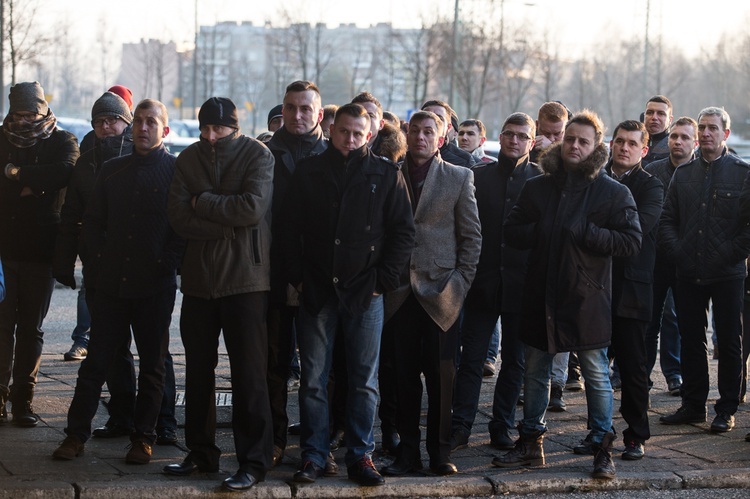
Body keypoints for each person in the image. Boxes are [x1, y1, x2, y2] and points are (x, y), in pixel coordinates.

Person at [493, 110, 642, 480]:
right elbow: (511, 230)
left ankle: (601, 447)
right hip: (540, 293)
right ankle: (530, 442)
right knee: (535, 370)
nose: (574, 145)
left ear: (596, 147)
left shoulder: (613, 191)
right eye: (570, 139)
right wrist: (540, 229)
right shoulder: (538, 185)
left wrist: (588, 233)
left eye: (583, 141)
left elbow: (631, 242)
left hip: (587, 298)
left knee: (595, 373)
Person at [283, 103, 415, 486]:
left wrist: (381, 282)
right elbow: (288, 229)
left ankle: (361, 455)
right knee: (313, 379)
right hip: (317, 288)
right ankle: (313, 455)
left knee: (363, 380)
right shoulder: (309, 172)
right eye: (344, 131)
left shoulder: (387, 174)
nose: (351, 139)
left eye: (359, 133)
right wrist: (299, 277)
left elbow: (403, 234)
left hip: (366, 292)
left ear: (369, 135)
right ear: (331, 128)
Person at [52, 99, 182, 465]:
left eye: (151, 122)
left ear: (164, 131)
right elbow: (92, 223)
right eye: (138, 121)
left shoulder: (175, 172)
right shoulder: (111, 170)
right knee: (96, 363)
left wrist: (166, 265)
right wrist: (95, 264)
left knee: (153, 365)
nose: (143, 127)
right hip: (110, 284)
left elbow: (181, 230)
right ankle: (75, 435)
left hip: (154, 287)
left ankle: (144, 437)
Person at [164, 97, 275, 492]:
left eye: (219, 129)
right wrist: (222, 226)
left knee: (249, 375)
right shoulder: (187, 158)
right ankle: (201, 452)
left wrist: (204, 203)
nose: (211, 136)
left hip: (246, 281)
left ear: (234, 126)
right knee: (197, 372)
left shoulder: (257, 155)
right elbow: (178, 216)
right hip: (197, 282)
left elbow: (251, 209)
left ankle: (254, 461)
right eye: (205, 128)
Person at [381, 110, 481, 477]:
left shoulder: (458, 177)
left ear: (441, 139)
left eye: (429, 132)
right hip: (399, 293)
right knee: (403, 378)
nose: (420, 137)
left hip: (442, 294)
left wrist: (460, 284)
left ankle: (440, 453)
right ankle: (407, 453)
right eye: (415, 131)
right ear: (406, 135)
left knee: (442, 379)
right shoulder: (388, 174)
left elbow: (471, 238)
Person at [451, 113, 541, 451]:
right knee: (472, 358)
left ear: (531, 142)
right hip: (482, 282)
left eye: (522, 136)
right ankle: (461, 423)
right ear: (500, 138)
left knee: (515, 363)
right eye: (509, 135)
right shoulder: (477, 176)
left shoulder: (540, 181)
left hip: (523, 286)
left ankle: (501, 425)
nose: (514, 141)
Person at [659, 107, 750, 433]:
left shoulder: (742, 172)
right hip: (688, 271)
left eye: (713, 128)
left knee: (728, 342)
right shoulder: (684, 174)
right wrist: (678, 250)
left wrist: (728, 253)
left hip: (727, 273)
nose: (707, 133)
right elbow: (667, 220)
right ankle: (693, 405)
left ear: (725, 134)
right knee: (690, 340)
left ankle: (726, 408)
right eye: (703, 128)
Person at [0, 81, 79, 426]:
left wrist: (15, 174)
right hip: (3, 251)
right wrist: (32, 187)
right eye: (20, 113)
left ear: (43, 109)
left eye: (32, 112)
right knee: (1, 328)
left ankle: (23, 401)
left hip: (42, 251)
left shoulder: (62, 140)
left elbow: (65, 171)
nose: (27, 119)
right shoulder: (1, 138)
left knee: (31, 329)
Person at [265, 80, 327, 468]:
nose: (298, 115)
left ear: (319, 114)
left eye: (306, 109)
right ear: (282, 111)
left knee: (319, 369)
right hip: (270, 273)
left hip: (319, 276)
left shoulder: (335, 153)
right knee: (272, 363)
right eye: (291, 108)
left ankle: (316, 444)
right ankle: (271, 439)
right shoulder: (264, 154)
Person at [594, 120, 662, 460]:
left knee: (634, 368)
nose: (624, 148)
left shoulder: (651, 186)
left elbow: (639, 228)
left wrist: (600, 229)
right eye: (619, 141)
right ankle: (598, 432)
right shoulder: (594, 178)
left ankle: (636, 435)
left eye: (632, 144)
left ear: (643, 150)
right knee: (594, 367)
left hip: (633, 289)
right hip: (594, 285)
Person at [54, 91, 133, 364]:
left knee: (145, 346)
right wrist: (65, 260)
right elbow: (72, 213)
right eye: (99, 121)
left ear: (126, 121)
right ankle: (85, 343)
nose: (105, 126)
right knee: (103, 342)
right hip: (97, 256)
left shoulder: (142, 153)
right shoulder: (86, 162)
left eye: (112, 119)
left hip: (139, 258)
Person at [644, 117, 698, 396]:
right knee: (648, 321)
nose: (677, 141)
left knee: (682, 322)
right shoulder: (652, 171)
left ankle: (679, 378)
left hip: (687, 260)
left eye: (684, 137)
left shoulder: (700, 173)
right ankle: (641, 380)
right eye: (674, 136)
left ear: (694, 142)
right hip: (654, 259)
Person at [421, 100, 475, 167]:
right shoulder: (405, 154)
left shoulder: (464, 161)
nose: (431, 123)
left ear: (448, 127)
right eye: (427, 117)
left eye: (439, 119)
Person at [642, 95, 673, 166]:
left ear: (670, 119)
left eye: (661, 114)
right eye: (650, 112)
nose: (654, 117)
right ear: (644, 116)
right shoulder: (633, 142)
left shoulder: (674, 145)